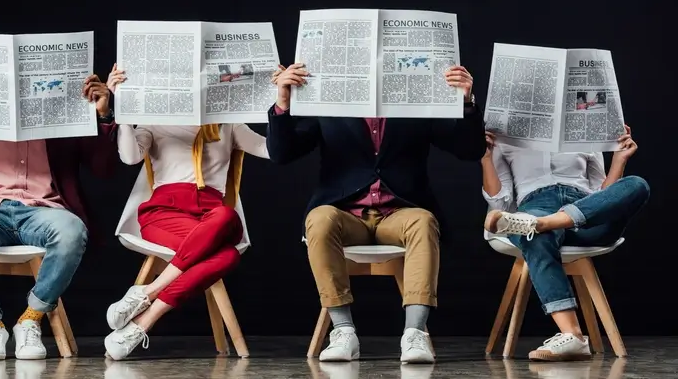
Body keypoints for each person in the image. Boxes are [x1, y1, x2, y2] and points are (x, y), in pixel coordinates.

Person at [267, 63, 486, 363]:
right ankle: (343, 331)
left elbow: (470, 150)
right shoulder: (328, 99)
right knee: (318, 219)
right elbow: (281, 154)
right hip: (347, 213)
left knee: (424, 221)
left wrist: (465, 102)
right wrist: (283, 102)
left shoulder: (416, 98)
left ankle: (415, 334)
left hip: (399, 211)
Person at [0, 74, 117, 360]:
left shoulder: (65, 115)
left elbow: (104, 170)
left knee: (72, 231)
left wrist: (102, 115)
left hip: (46, 209)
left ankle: (30, 319)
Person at [101, 64, 269, 360]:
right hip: (163, 214)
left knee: (227, 217)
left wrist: (281, 103)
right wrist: (123, 108)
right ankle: (142, 322)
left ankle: (146, 295)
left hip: (211, 216)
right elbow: (129, 157)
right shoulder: (156, 120)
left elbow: (273, 150)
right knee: (227, 256)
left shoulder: (227, 123)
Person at [481, 126, 649, 361]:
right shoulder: (504, 139)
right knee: (535, 235)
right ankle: (572, 335)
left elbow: (605, 197)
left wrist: (619, 160)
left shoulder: (584, 133)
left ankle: (547, 223)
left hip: (587, 216)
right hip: (536, 206)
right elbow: (499, 202)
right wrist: (486, 157)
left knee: (637, 185)